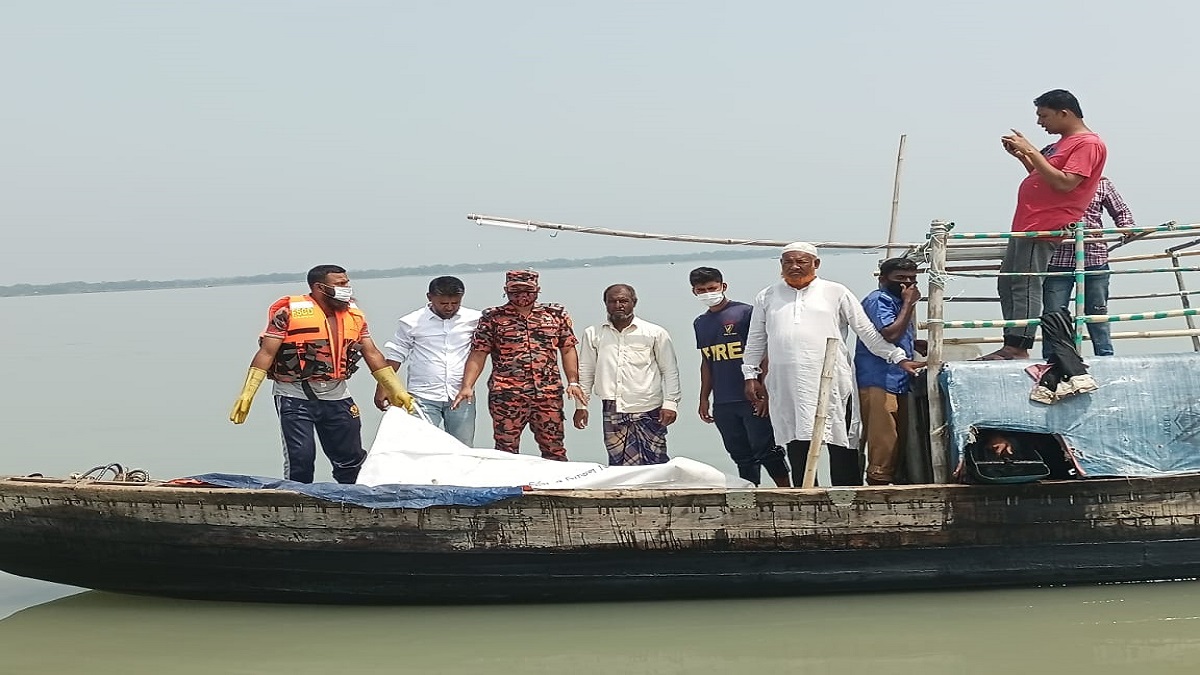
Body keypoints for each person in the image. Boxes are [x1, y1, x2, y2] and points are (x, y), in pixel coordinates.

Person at [741, 243, 923, 487]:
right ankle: (806, 497)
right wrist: (750, 374)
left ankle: (846, 498)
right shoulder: (768, 296)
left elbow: (867, 333)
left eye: (801, 262)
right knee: (797, 443)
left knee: (841, 444)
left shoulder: (836, 292)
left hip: (833, 380)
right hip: (787, 383)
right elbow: (756, 339)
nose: (794, 266)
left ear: (816, 264)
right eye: (788, 262)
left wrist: (898, 358)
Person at [229, 264, 415, 484]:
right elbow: (267, 352)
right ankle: (297, 505)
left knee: (351, 459)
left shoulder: (354, 316)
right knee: (301, 459)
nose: (347, 288)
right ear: (320, 287)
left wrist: (397, 390)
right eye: (340, 284)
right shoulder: (288, 312)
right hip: (294, 396)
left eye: (347, 283)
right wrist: (247, 393)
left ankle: (353, 504)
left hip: (337, 395)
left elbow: (372, 353)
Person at [984, 88, 1108, 360]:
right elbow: (1045, 176)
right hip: (1028, 221)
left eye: (1044, 116)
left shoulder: (1087, 143)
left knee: (1026, 284)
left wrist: (1030, 149)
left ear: (1064, 113)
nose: (1041, 122)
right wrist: (1024, 156)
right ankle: (1013, 339)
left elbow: (1065, 182)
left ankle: (1018, 345)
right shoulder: (1063, 144)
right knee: (1009, 282)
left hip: (1045, 223)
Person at [453, 270, 586, 460]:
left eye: (528, 291)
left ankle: (558, 486)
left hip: (548, 394)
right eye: (515, 291)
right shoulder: (493, 317)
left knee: (554, 448)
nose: (522, 296)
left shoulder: (555, 314)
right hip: (507, 394)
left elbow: (567, 348)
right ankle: (509, 487)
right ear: (505, 290)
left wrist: (573, 381)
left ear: (538, 290)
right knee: (506, 450)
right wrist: (467, 386)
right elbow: (479, 353)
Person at [689, 267, 790, 487]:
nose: (708, 293)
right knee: (740, 454)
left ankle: (787, 491)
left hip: (751, 396)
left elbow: (764, 353)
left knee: (767, 450)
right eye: (702, 290)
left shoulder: (745, 313)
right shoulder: (700, 323)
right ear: (694, 292)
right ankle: (748, 493)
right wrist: (704, 398)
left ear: (723, 287)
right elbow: (707, 361)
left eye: (712, 288)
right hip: (724, 401)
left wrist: (764, 392)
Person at [572, 284, 682, 466]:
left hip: (649, 407)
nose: (618, 305)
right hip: (612, 407)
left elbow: (669, 370)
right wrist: (581, 406)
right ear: (605, 304)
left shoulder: (654, 333)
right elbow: (586, 371)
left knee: (656, 461)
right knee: (618, 463)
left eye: (623, 301)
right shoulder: (593, 334)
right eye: (612, 301)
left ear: (634, 302)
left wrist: (671, 404)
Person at [375, 276, 482, 445]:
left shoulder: (475, 320)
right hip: (422, 396)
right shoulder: (411, 322)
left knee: (463, 447)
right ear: (429, 297)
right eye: (443, 303)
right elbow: (396, 355)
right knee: (422, 446)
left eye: (455, 303)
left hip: (460, 394)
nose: (449, 308)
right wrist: (384, 387)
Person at [1041, 177, 1135, 358]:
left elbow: (1121, 212)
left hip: (1094, 256)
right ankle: (1053, 358)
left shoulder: (1101, 183)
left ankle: (1105, 356)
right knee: (1053, 313)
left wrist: (1127, 228)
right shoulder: (1050, 181)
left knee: (1097, 311)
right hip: (1058, 258)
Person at [854, 258, 928, 485]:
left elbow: (897, 335)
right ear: (883, 279)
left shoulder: (896, 300)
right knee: (883, 436)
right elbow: (890, 334)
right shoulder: (879, 300)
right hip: (877, 378)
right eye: (900, 279)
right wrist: (909, 303)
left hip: (898, 378)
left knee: (900, 434)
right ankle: (877, 482)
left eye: (911, 279)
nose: (907, 284)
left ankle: (893, 477)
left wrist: (913, 343)